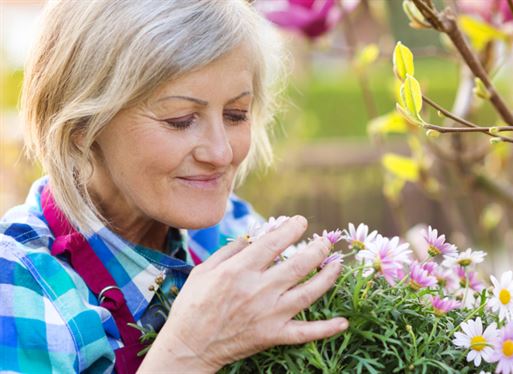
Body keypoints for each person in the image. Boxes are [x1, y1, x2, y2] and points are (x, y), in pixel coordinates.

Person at [0, 1, 348, 372]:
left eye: (236, 115)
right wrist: (188, 353)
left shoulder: (230, 232)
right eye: (180, 120)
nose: (220, 152)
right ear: (82, 126)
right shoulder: (19, 284)